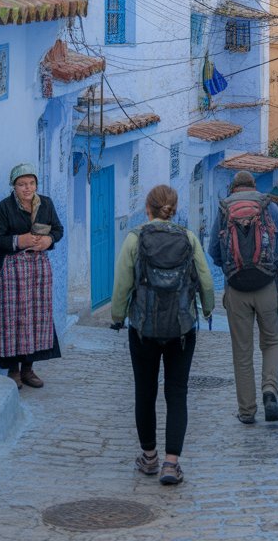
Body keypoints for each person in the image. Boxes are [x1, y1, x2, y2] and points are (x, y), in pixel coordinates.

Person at [111, 184, 215, 486]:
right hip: (181, 328)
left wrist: (119, 316)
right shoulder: (189, 238)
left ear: (147, 209)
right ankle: (172, 464)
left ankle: (150, 457)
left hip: (143, 328)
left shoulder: (134, 239)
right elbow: (206, 281)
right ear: (174, 209)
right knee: (177, 392)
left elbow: (121, 285)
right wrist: (206, 310)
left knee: (145, 392)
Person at [209, 170, 278, 424]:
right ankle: (270, 391)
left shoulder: (225, 209)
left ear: (233, 188)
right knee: (271, 342)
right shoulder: (268, 206)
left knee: (242, 351)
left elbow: (214, 249)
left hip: (236, 289)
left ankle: (247, 410)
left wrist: (230, 268)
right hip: (267, 285)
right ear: (254, 186)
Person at [0, 162, 64, 389]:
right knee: (13, 319)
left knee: (35, 317)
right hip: (11, 271)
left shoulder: (46, 204)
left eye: (31, 183)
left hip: (38, 271)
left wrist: (48, 240)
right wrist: (18, 241)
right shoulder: (4, 208)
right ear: (14, 186)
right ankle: (13, 371)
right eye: (22, 184)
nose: (27, 188)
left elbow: (58, 230)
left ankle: (29, 369)